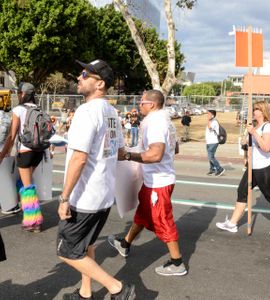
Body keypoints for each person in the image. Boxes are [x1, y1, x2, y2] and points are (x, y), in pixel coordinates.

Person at [57, 59, 135, 300]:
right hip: (103, 195)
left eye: (84, 74)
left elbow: (79, 158)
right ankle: (85, 292)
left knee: (67, 252)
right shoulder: (112, 112)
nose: (78, 78)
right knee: (87, 245)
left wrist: (64, 197)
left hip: (85, 197)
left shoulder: (87, 111)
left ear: (100, 83)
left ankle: (117, 289)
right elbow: (121, 151)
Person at [108, 90, 187, 277]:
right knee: (144, 214)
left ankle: (177, 263)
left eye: (141, 101)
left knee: (163, 220)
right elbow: (174, 149)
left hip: (159, 183)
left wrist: (127, 155)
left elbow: (155, 154)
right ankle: (125, 243)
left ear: (151, 104)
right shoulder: (165, 119)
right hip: (156, 180)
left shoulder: (156, 123)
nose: (139, 105)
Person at [216, 101, 270, 238]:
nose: (253, 111)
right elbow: (251, 146)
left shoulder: (268, 127)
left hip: (264, 168)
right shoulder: (256, 126)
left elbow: (266, 148)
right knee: (242, 191)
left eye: (256, 109)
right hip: (253, 167)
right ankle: (232, 224)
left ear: (263, 111)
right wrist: (247, 139)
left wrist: (254, 134)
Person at [0, 83, 43, 232]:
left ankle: (34, 223)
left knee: (27, 186)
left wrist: (2, 154)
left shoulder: (18, 109)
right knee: (24, 182)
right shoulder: (38, 108)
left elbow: (12, 135)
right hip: (38, 152)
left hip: (25, 152)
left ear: (22, 94)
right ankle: (27, 209)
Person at [0, 103, 21, 214]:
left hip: (2, 150)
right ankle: (10, 203)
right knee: (6, 178)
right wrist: (7, 151)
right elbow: (10, 136)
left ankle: (8, 204)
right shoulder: (7, 118)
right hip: (5, 149)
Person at [205, 109, 225, 176]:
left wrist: (208, 120)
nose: (207, 115)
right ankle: (212, 170)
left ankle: (219, 169)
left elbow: (210, 128)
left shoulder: (214, 122)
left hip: (213, 142)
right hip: (209, 142)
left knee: (211, 157)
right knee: (210, 157)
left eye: (208, 114)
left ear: (213, 115)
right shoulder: (211, 121)